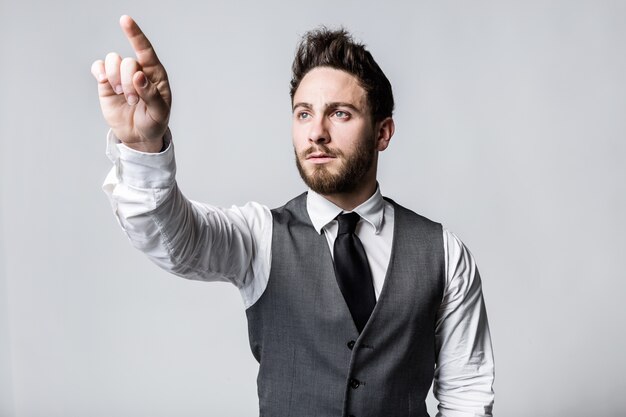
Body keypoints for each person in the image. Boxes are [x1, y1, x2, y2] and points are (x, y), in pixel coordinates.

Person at [92, 15, 495, 417]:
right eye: (304, 113)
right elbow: (176, 241)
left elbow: (467, 393)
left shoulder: (444, 253)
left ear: (382, 133)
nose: (316, 132)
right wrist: (144, 147)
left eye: (339, 113)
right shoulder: (259, 236)